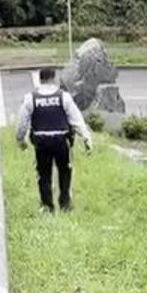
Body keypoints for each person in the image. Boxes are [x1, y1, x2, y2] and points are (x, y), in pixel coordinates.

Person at [16, 67, 92, 212]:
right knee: (65, 172)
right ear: (54, 78)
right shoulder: (63, 97)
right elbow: (76, 120)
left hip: (41, 141)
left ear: (40, 79)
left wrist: (21, 140)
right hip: (61, 140)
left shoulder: (31, 98)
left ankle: (47, 206)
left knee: (43, 174)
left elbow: (22, 123)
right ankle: (65, 203)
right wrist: (86, 139)